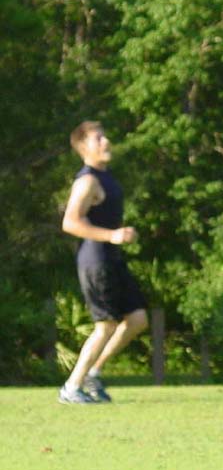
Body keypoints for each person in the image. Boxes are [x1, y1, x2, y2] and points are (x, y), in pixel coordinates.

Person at [59, 121, 148, 404]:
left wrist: (119, 235)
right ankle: (71, 388)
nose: (106, 141)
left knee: (137, 319)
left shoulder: (104, 177)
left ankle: (93, 373)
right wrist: (112, 235)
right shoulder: (87, 181)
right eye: (98, 139)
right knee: (106, 325)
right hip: (95, 262)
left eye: (104, 136)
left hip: (112, 259)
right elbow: (70, 222)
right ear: (83, 147)